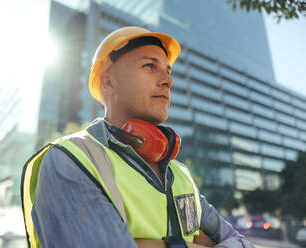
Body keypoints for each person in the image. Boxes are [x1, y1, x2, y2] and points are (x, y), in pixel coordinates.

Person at [21, 26, 254, 248]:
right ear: (108, 81)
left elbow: (240, 242)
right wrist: (195, 243)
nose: (168, 80)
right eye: (150, 66)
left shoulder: (180, 174)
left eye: (168, 70)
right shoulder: (69, 160)